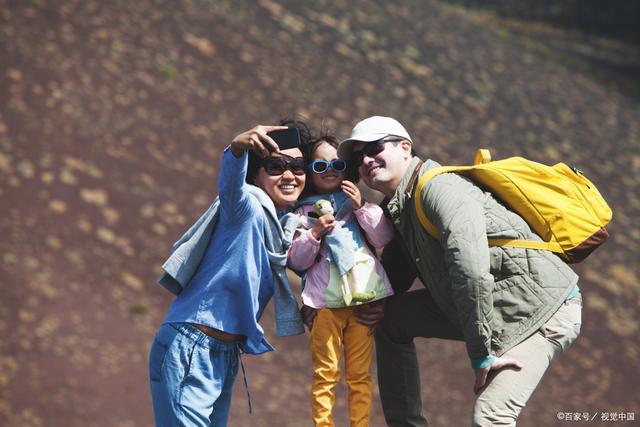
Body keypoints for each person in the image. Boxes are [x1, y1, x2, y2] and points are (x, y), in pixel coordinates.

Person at [337, 116, 583, 426]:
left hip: (541, 310)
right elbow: (390, 280)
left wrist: (481, 354)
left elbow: (471, 271)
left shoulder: (440, 189)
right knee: (389, 317)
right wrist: (334, 307)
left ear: (405, 147)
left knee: (491, 416)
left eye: (374, 148)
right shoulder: (399, 207)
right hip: (493, 305)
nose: (367, 161)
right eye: (358, 158)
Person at [149, 121, 312, 426]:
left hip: (225, 354)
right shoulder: (247, 205)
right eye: (276, 166)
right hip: (191, 347)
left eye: (299, 166)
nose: (289, 174)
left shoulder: (286, 227)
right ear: (257, 173)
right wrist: (238, 149)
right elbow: (230, 186)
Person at [288, 133, 394, 426]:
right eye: (320, 166)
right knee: (325, 373)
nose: (330, 170)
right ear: (310, 172)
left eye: (336, 163)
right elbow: (296, 261)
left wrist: (361, 207)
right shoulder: (301, 212)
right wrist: (314, 234)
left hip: (363, 299)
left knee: (359, 375)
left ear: (347, 167)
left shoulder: (357, 204)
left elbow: (383, 237)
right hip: (324, 304)